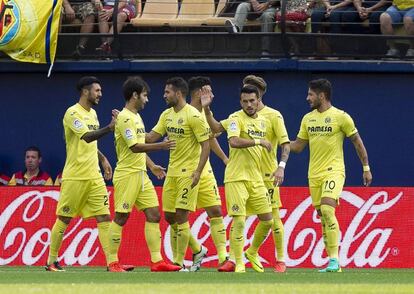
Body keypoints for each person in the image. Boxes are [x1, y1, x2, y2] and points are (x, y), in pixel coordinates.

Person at [290, 78, 372, 272]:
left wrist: (366, 168)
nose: (307, 98)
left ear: (322, 95)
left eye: (311, 94)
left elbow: (357, 142)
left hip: (334, 171)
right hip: (314, 175)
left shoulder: (341, 117)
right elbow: (298, 147)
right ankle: (331, 261)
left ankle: (335, 260)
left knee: (328, 210)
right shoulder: (307, 119)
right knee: (322, 216)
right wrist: (278, 140)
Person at [107, 76, 181, 272]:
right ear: (135, 95)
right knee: (121, 217)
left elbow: (142, 142)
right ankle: (112, 262)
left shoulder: (136, 117)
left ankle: (157, 262)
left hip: (141, 174)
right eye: (145, 96)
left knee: (154, 215)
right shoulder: (124, 118)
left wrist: (152, 166)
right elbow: (135, 147)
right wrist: (162, 145)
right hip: (127, 174)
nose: (147, 100)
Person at [45, 76, 119, 271]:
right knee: (65, 219)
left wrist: (102, 159)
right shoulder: (72, 113)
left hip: (94, 175)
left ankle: (112, 263)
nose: (100, 94)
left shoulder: (93, 113)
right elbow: (86, 137)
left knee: (104, 217)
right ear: (85, 92)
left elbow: (91, 142)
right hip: (75, 175)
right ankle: (51, 260)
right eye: (97, 91)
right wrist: (110, 128)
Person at [201, 85, 274, 273]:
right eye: (245, 101)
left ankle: (252, 251)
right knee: (239, 221)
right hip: (236, 178)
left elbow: (216, 127)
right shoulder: (235, 118)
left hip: (256, 179)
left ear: (258, 101)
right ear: (240, 102)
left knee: (268, 220)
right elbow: (233, 141)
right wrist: (207, 109)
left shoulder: (263, 122)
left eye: (252, 101)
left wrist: (208, 111)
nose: (249, 104)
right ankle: (239, 262)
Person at [145, 77, 210, 271]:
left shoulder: (193, 115)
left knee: (181, 217)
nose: (164, 95)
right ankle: (198, 249)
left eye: (167, 92)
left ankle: (179, 263)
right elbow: (151, 137)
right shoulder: (166, 115)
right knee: (169, 217)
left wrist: (198, 171)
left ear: (178, 94)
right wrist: (127, 128)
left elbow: (206, 144)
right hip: (171, 173)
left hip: (188, 174)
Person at [242, 75, 290, 273]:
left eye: (251, 93)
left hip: (267, 176)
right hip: (245, 174)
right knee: (239, 217)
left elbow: (285, 144)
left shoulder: (274, 116)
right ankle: (234, 257)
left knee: (273, 217)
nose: (247, 100)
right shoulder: (240, 115)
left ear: (259, 94)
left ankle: (279, 259)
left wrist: (281, 166)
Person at [187, 76, 229, 271]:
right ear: (198, 93)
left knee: (216, 211)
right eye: (208, 91)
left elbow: (211, 139)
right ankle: (195, 250)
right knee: (178, 216)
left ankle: (223, 257)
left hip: (205, 172)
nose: (212, 95)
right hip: (186, 173)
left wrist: (223, 158)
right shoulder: (183, 113)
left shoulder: (205, 114)